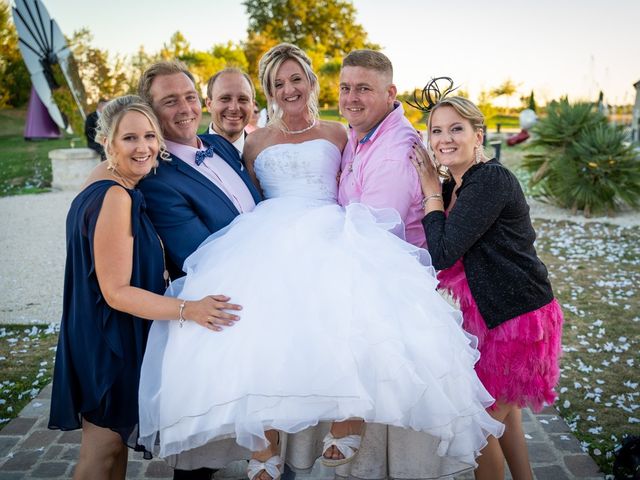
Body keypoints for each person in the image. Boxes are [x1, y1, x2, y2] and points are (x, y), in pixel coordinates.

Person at [138, 44, 503, 480]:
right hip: (267, 235)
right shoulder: (254, 141)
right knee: (258, 327)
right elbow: (251, 194)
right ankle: (263, 439)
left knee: (343, 316)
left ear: (311, 83)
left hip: (330, 229)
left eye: (296, 79)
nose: (288, 88)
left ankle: (347, 414)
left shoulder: (338, 133)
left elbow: (352, 181)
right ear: (269, 93)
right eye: (277, 83)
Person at [285, 49, 471, 480]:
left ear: (390, 93)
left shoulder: (395, 151)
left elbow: (372, 236)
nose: (351, 98)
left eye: (363, 89)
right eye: (345, 88)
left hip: (386, 290)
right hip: (366, 275)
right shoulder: (361, 134)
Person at [48, 95, 241, 480]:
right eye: (130, 139)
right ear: (108, 142)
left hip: (101, 329)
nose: (144, 148)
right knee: (100, 454)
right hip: (110, 339)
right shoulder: (115, 197)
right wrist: (191, 309)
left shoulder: (106, 179)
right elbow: (116, 291)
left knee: (113, 450)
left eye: (151, 137)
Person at [409, 78, 563, 480]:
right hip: (491, 315)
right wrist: (436, 191)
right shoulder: (455, 183)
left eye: (456, 129)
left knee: (476, 424)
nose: (445, 139)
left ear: (478, 135)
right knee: (501, 414)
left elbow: (443, 251)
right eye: (437, 130)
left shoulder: (488, 181)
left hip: (517, 318)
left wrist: (430, 192)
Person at [137, 60, 262, 479]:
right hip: (219, 310)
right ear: (150, 111)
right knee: (203, 446)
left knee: (275, 423)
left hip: (264, 296)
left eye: (189, 96)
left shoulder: (222, 146)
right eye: (170, 101)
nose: (186, 108)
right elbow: (201, 253)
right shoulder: (156, 178)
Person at [204, 67, 257, 154]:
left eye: (243, 99)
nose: (234, 108)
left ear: (252, 106)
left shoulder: (263, 155)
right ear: (209, 104)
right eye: (225, 98)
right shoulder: (190, 153)